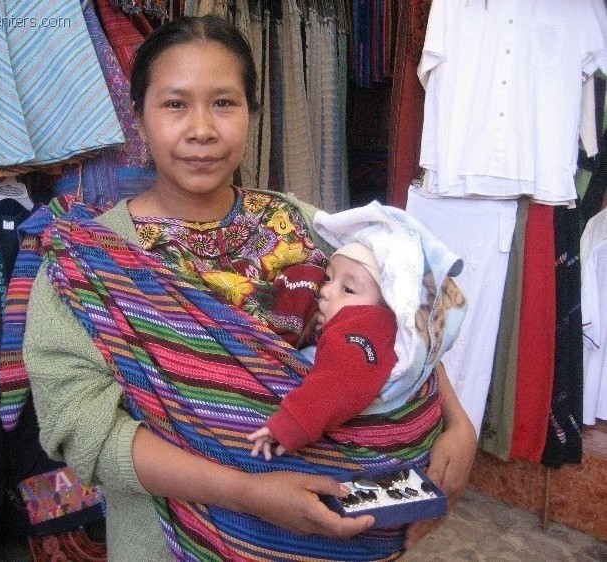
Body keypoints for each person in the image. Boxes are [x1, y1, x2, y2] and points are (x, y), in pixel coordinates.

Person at [23, 15, 477, 561]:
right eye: (174, 105)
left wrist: (458, 425)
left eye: (223, 103)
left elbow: (398, 322)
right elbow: (86, 431)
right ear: (138, 120)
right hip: (171, 543)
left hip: (343, 536)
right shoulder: (89, 265)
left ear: (250, 113)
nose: (201, 130)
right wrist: (246, 492)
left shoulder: (308, 225)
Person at [247, 242, 413, 460]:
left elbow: (339, 381)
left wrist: (291, 424)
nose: (324, 290)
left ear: (386, 304)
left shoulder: (369, 325)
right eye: (328, 278)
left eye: (348, 289)